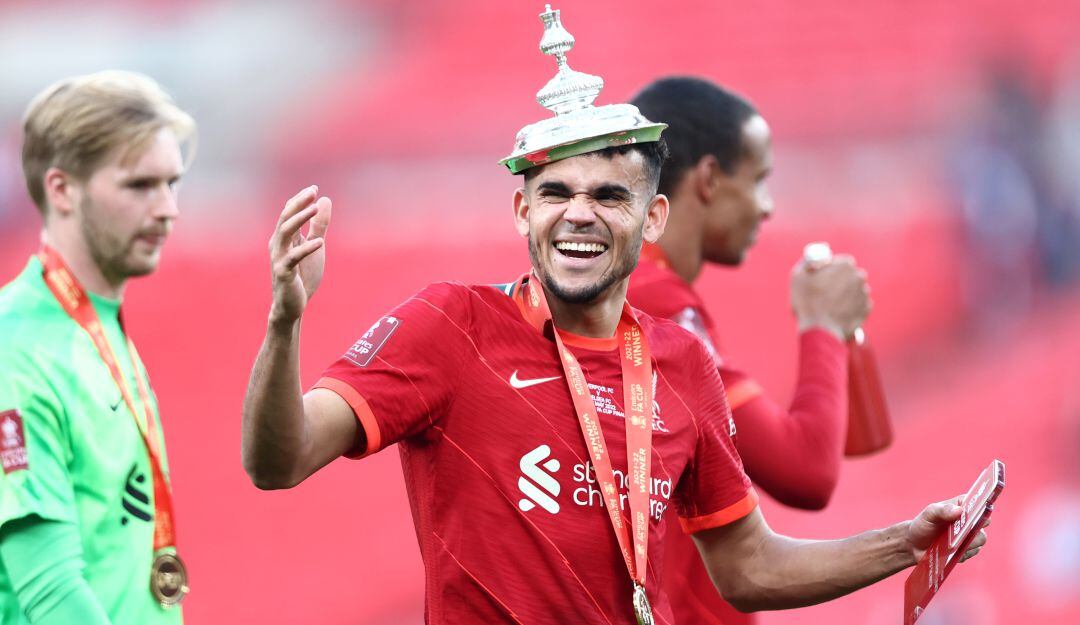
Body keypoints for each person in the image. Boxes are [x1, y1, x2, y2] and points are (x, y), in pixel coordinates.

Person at [241, 7, 986, 624]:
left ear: (654, 216)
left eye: (610, 195)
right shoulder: (451, 325)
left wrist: (903, 543)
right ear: (521, 210)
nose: (580, 215)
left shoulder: (681, 363)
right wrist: (284, 324)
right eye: (557, 192)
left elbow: (748, 565)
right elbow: (278, 460)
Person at [627, 76, 871, 624]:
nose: (767, 207)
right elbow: (806, 468)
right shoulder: (651, 301)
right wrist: (823, 325)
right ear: (710, 178)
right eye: (759, 180)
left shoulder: (644, 291)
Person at [0, 71, 196, 624]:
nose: (167, 209)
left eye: (172, 182)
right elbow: (51, 592)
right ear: (61, 189)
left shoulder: (97, 325)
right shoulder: (16, 350)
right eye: (139, 186)